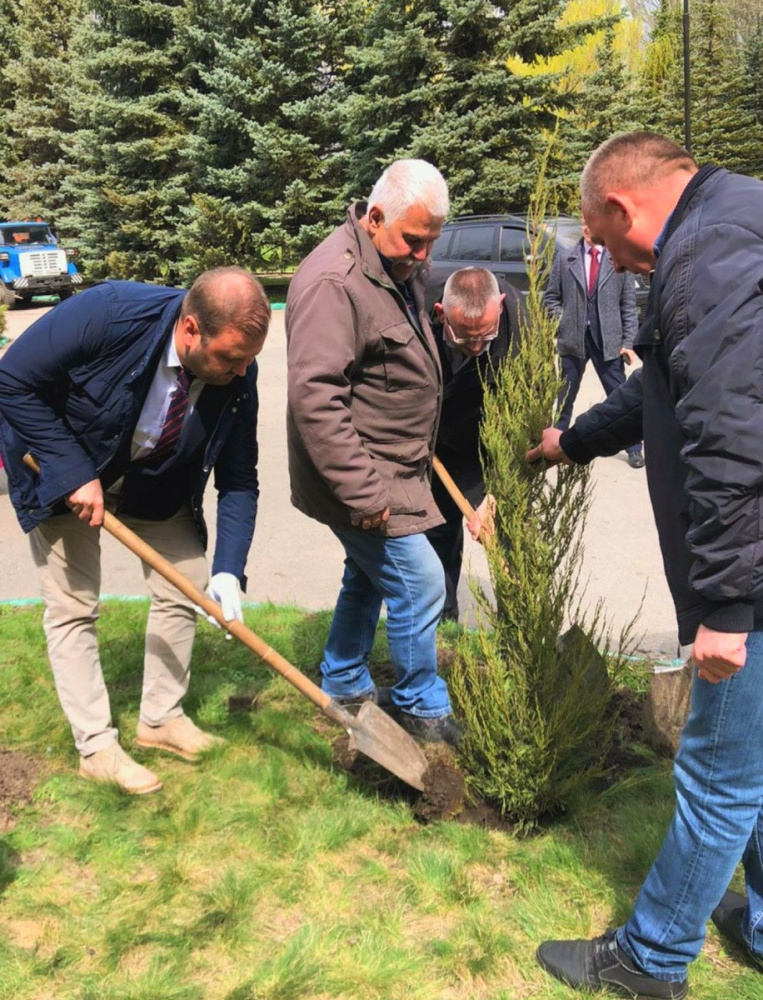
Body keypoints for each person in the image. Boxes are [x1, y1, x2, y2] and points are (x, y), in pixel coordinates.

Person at [528, 132, 763, 998]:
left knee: (716, 772)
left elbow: (732, 440)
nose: (611, 261)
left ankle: (649, 961)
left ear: (623, 207)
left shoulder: (703, 257)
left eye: (600, 237)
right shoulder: (733, 218)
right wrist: (573, 441)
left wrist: (727, 611)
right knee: (754, 762)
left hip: (753, 578)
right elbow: (662, 384)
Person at [0, 268, 270, 794]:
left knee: (187, 580)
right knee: (73, 603)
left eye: (248, 360)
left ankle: (161, 719)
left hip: (153, 479)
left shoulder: (238, 373)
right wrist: (72, 471)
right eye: (231, 358)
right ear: (190, 330)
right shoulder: (109, 313)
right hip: (62, 461)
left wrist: (229, 570)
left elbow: (239, 477)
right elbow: (11, 379)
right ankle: (96, 747)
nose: (242, 371)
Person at [285, 158, 460, 746]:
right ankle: (420, 706)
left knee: (366, 574)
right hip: (361, 474)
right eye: (414, 240)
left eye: (432, 242)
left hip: (394, 465)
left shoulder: (390, 261)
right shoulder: (334, 283)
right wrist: (362, 492)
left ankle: (343, 679)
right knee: (421, 582)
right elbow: (315, 398)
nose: (423, 256)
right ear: (376, 216)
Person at [424, 267, 524, 621]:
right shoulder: (417, 309)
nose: (478, 347)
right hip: (438, 440)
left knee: (508, 534)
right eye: (465, 338)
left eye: (486, 335)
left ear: (500, 305)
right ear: (441, 314)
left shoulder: (522, 324)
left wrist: (492, 495)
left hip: (497, 439)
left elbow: (526, 419)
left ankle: (516, 629)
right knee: (438, 532)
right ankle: (441, 624)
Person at [545, 218, 644, 468]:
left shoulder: (617, 257)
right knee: (565, 396)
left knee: (619, 395)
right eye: (584, 223)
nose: (588, 228)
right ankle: (555, 444)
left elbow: (628, 305)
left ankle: (634, 448)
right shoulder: (565, 258)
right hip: (573, 341)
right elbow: (551, 298)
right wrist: (565, 321)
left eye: (592, 222)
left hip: (608, 341)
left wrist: (628, 341)